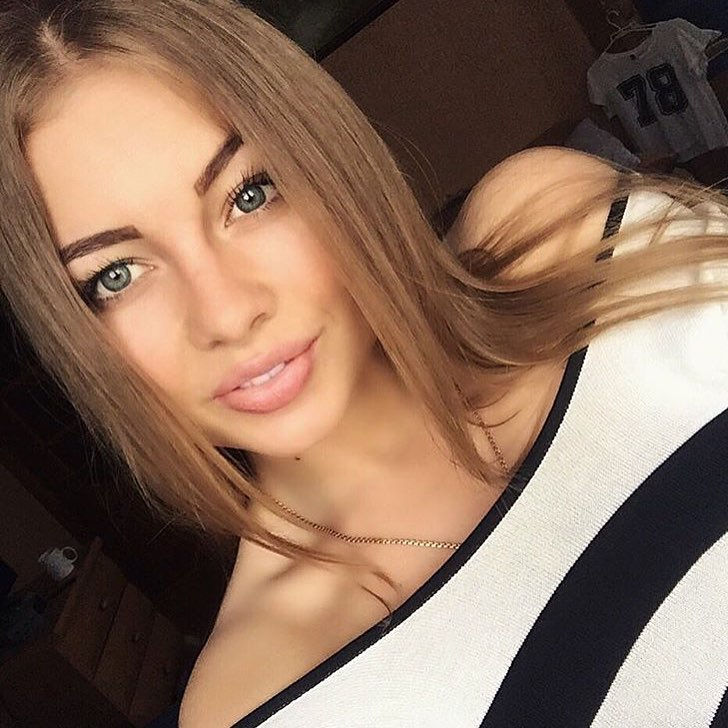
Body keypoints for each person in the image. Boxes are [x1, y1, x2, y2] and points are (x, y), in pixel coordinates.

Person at [1, 2, 728, 727]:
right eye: (117, 276)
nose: (226, 314)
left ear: (325, 158)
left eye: (250, 194)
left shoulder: (571, 235)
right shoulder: (259, 701)